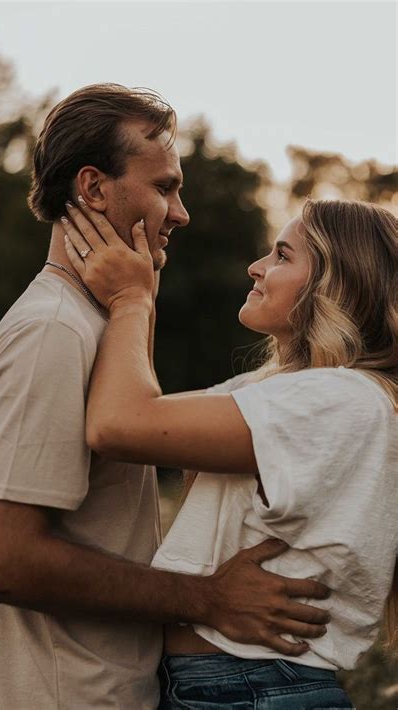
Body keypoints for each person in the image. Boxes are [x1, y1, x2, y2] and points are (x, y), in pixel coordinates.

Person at [0, 84, 330, 710]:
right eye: (164, 188)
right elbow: (5, 561)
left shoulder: (100, 325)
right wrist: (207, 598)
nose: (180, 213)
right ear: (94, 189)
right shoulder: (52, 330)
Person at [62, 196, 397, 709]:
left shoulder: (339, 400)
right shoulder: (288, 391)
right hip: (236, 685)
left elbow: (118, 426)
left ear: (335, 286)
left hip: (252, 687)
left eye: (282, 256)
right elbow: (134, 413)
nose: (257, 267)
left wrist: (132, 300)